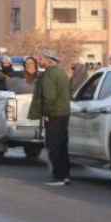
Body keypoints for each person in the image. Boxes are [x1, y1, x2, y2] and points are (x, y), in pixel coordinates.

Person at [29, 49, 72, 186]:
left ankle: (58, 176)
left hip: (54, 113)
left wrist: (47, 113)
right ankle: (65, 175)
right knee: (62, 145)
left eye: (41, 58)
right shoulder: (61, 72)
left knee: (53, 145)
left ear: (48, 60)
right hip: (64, 112)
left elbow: (49, 97)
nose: (39, 61)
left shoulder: (49, 74)